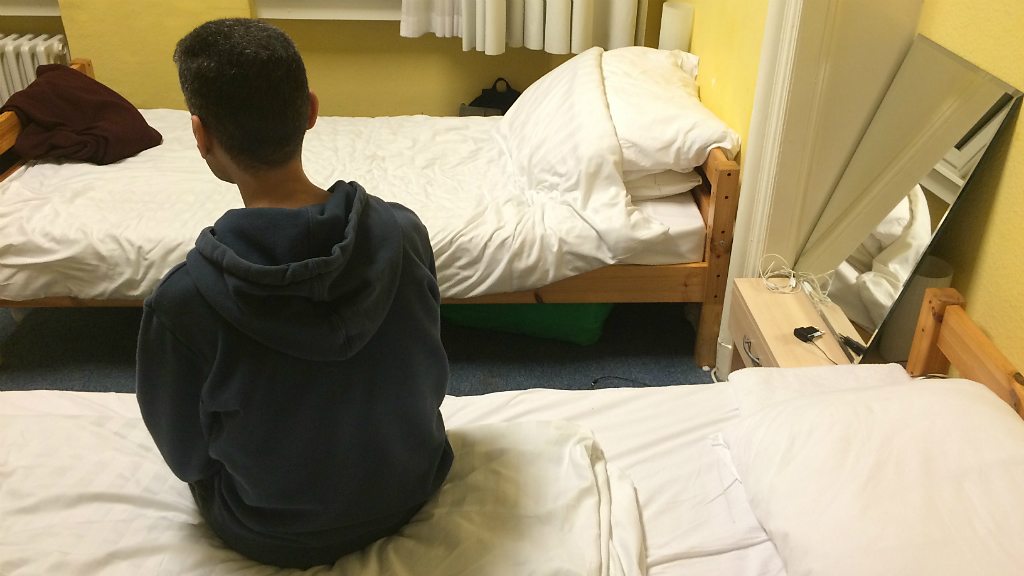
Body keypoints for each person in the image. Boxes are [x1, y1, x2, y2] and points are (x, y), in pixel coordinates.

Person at [135, 18, 453, 569]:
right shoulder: (403, 233)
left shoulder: (183, 302)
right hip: (413, 485)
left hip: (274, 531)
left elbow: (187, 457)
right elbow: (426, 372)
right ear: (310, 110)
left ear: (200, 135)